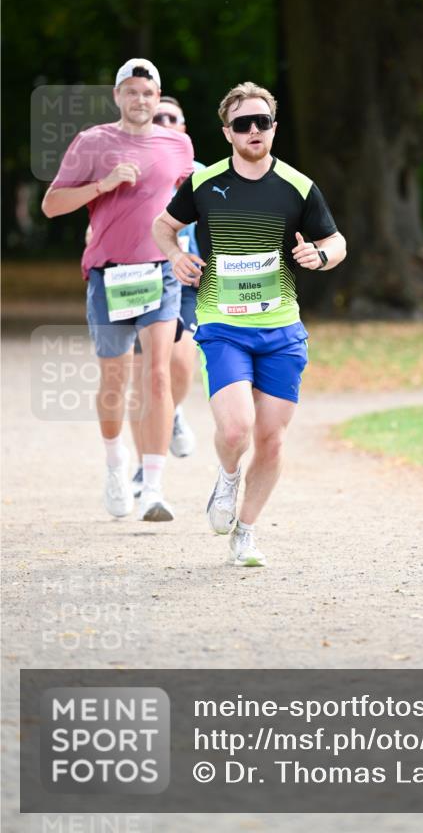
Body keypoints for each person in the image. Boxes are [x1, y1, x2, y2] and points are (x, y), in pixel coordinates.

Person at [152, 81, 346, 567]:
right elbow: (163, 226)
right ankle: (227, 475)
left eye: (262, 122)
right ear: (228, 132)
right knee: (237, 429)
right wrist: (175, 256)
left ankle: (247, 532)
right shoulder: (204, 184)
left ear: (274, 128)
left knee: (272, 438)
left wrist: (318, 255)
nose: (254, 130)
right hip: (221, 323)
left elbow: (337, 241)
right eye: (243, 123)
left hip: (281, 329)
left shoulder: (298, 187)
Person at [42, 58, 194, 522]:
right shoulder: (93, 142)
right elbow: (50, 206)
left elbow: (190, 201)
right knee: (115, 382)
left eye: (148, 92)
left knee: (159, 376)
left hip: (159, 273)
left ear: (157, 96)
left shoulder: (179, 145)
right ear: (117, 96)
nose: (140, 100)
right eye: (132, 91)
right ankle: (115, 464)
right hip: (111, 275)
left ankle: (153, 488)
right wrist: (103, 185)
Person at [128, 96, 203, 497]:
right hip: (141, 278)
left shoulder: (204, 175)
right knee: (143, 379)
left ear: (184, 128)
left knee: (179, 363)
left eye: (173, 116)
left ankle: (171, 412)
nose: (164, 122)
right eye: (158, 117)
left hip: (189, 281)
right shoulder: (132, 171)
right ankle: (143, 468)